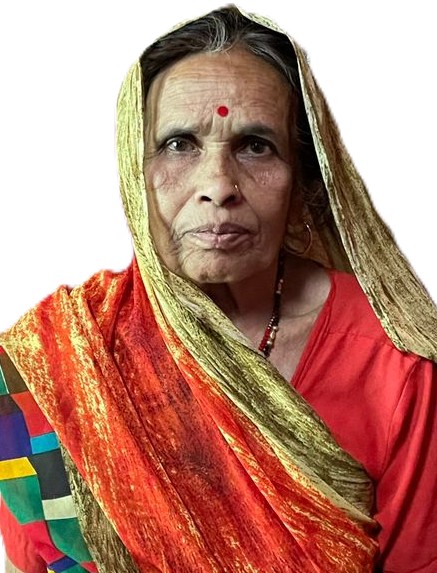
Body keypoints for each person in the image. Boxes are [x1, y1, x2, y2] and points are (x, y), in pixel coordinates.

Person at [0, 5, 436, 572]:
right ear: (134, 171)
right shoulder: (54, 364)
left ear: (304, 181)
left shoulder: (394, 362)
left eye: (256, 145)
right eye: (179, 144)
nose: (218, 185)